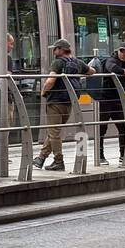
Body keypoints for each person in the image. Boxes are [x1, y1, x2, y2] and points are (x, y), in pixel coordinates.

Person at [34, 38, 93, 172]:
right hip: (69, 102)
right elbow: (92, 71)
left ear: (60, 50)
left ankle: (58, 161)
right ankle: (40, 159)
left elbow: (50, 81)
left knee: (54, 133)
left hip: (55, 101)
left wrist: (43, 91)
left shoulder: (58, 62)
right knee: (53, 131)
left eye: (55, 49)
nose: (54, 51)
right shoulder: (78, 63)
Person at [94, 42, 125, 165]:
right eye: (121, 51)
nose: (123, 54)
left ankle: (124, 155)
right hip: (106, 99)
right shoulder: (111, 60)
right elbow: (113, 68)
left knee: (124, 127)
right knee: (101, 129)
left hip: (119, 100)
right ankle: (100, 156)